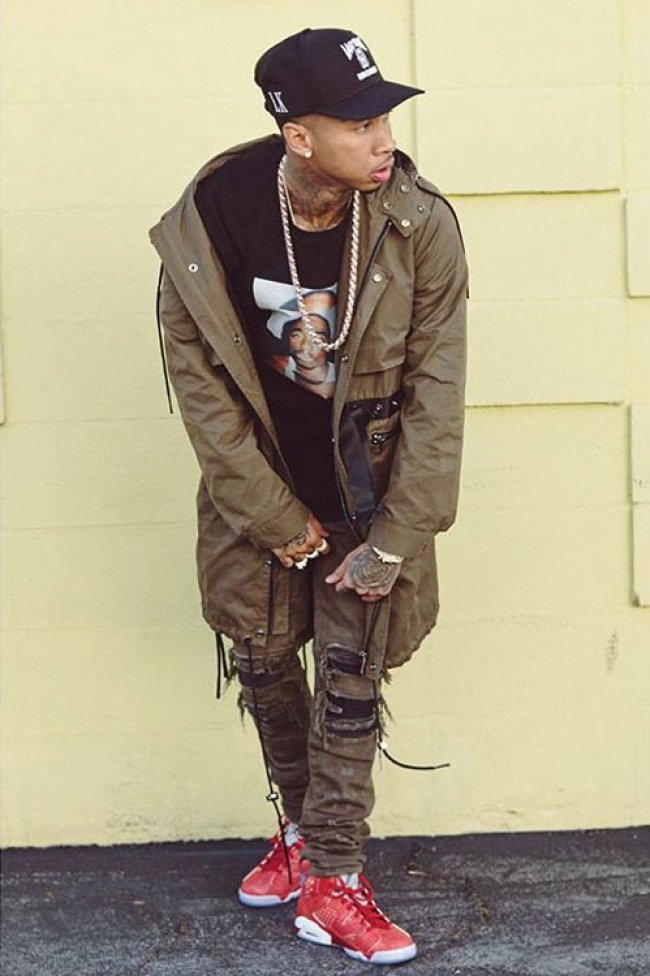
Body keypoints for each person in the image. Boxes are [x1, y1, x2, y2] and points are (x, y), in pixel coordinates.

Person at [149, 26, 467, 966]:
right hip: (259, 490)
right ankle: (300, 838)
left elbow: (439, 392)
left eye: (385, 118)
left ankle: (333, 876)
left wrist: (397, 537)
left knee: (350, 682)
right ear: (299, 136)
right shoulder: (210, 220)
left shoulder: (416, 223)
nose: (384, 138)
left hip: (371, 494)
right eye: (360, 123)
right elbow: (202, 393)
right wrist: (274, 518)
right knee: (262, 663)